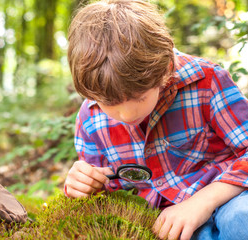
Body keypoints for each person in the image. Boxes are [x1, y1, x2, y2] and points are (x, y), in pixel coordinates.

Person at [63, 0, 248, 239]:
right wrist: (81, 185)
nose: (126, 115)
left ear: (166, 69)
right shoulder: (90, 117)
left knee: (241, 220)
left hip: (229, 197)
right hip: (166, 223)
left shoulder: (207, 81)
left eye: (139, 98)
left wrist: (203, 201)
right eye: (110, 104)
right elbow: (102, 191)